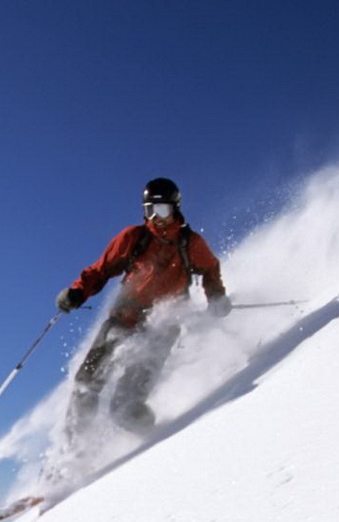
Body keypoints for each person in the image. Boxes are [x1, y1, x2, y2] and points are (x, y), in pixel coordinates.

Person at [55, 177, 228, 431]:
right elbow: (100, 270)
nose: (156, 217)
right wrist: (77, 293)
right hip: (123, 319)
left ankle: (157, 444)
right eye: (150, 210)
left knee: (125, 406)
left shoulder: (190, 244)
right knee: (86, 382)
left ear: (175, 209)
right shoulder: (134, 238)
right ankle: (71, 454)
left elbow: (211, 269)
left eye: (162, 210)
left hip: (161, 330)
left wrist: (216, 297)